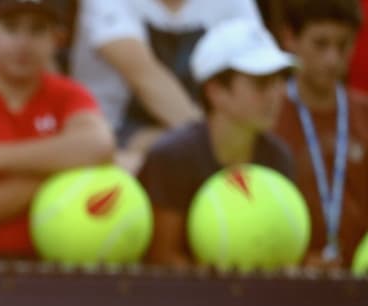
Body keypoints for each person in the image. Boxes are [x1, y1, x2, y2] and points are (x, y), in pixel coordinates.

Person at [0, 0, 114, 261]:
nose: (23, 43)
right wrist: (69, 165)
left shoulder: (69, 95)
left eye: (37, 30)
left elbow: (99, 145)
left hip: (51, 264)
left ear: (57, 38)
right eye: (11, 28)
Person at [138, 18, 297, 266]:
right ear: (216, 92)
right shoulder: (172, 158)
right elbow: (162, 258)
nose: (278, 94)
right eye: (262, 82)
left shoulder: (279, 157)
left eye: (280, 80)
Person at [70, 0, 263, 169]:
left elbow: (258, 68)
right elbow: (144, 76)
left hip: (199, 139)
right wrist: (210, 147)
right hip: (115, 142)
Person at [274, 0, 368, 267]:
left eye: (343, 45)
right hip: (285, 282)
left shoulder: (364, 113)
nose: (333, 59)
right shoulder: (267, 113)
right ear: (290, 38)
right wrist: (298, 262)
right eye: (320, 44)